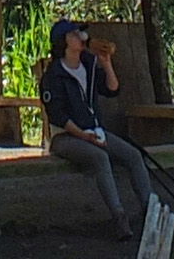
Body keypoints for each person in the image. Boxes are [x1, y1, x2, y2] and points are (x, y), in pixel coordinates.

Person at [39, 18, 155, 239]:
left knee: (133, 155)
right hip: (66, 137)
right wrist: (84, 135)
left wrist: (107, 63)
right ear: (63, 41)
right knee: (100, 157)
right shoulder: (53, 76)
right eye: (75, 34)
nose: (81, 38)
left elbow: (111, 89)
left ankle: (150, 209)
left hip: (94, 131)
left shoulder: (89, 64)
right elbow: (58, 116)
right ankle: (119, 218)